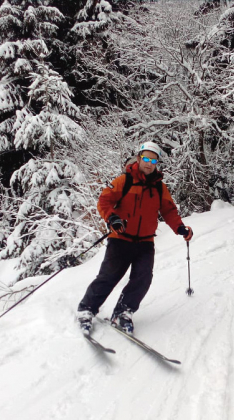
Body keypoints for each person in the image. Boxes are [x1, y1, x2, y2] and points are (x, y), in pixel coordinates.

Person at [75, 141, 193, 334]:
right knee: (109, 276)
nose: (149, 163)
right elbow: (104, 201)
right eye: (146, 158)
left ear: (157, 163)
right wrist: (112, 218)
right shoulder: (124, 181)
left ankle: (123, 312)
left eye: (153, 160)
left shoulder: (159, 187)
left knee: (143, 278)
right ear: (138, 159)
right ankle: (86, 309)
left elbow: (169, 210)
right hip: (121, 238)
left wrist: (180, 228)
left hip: (145, 241)